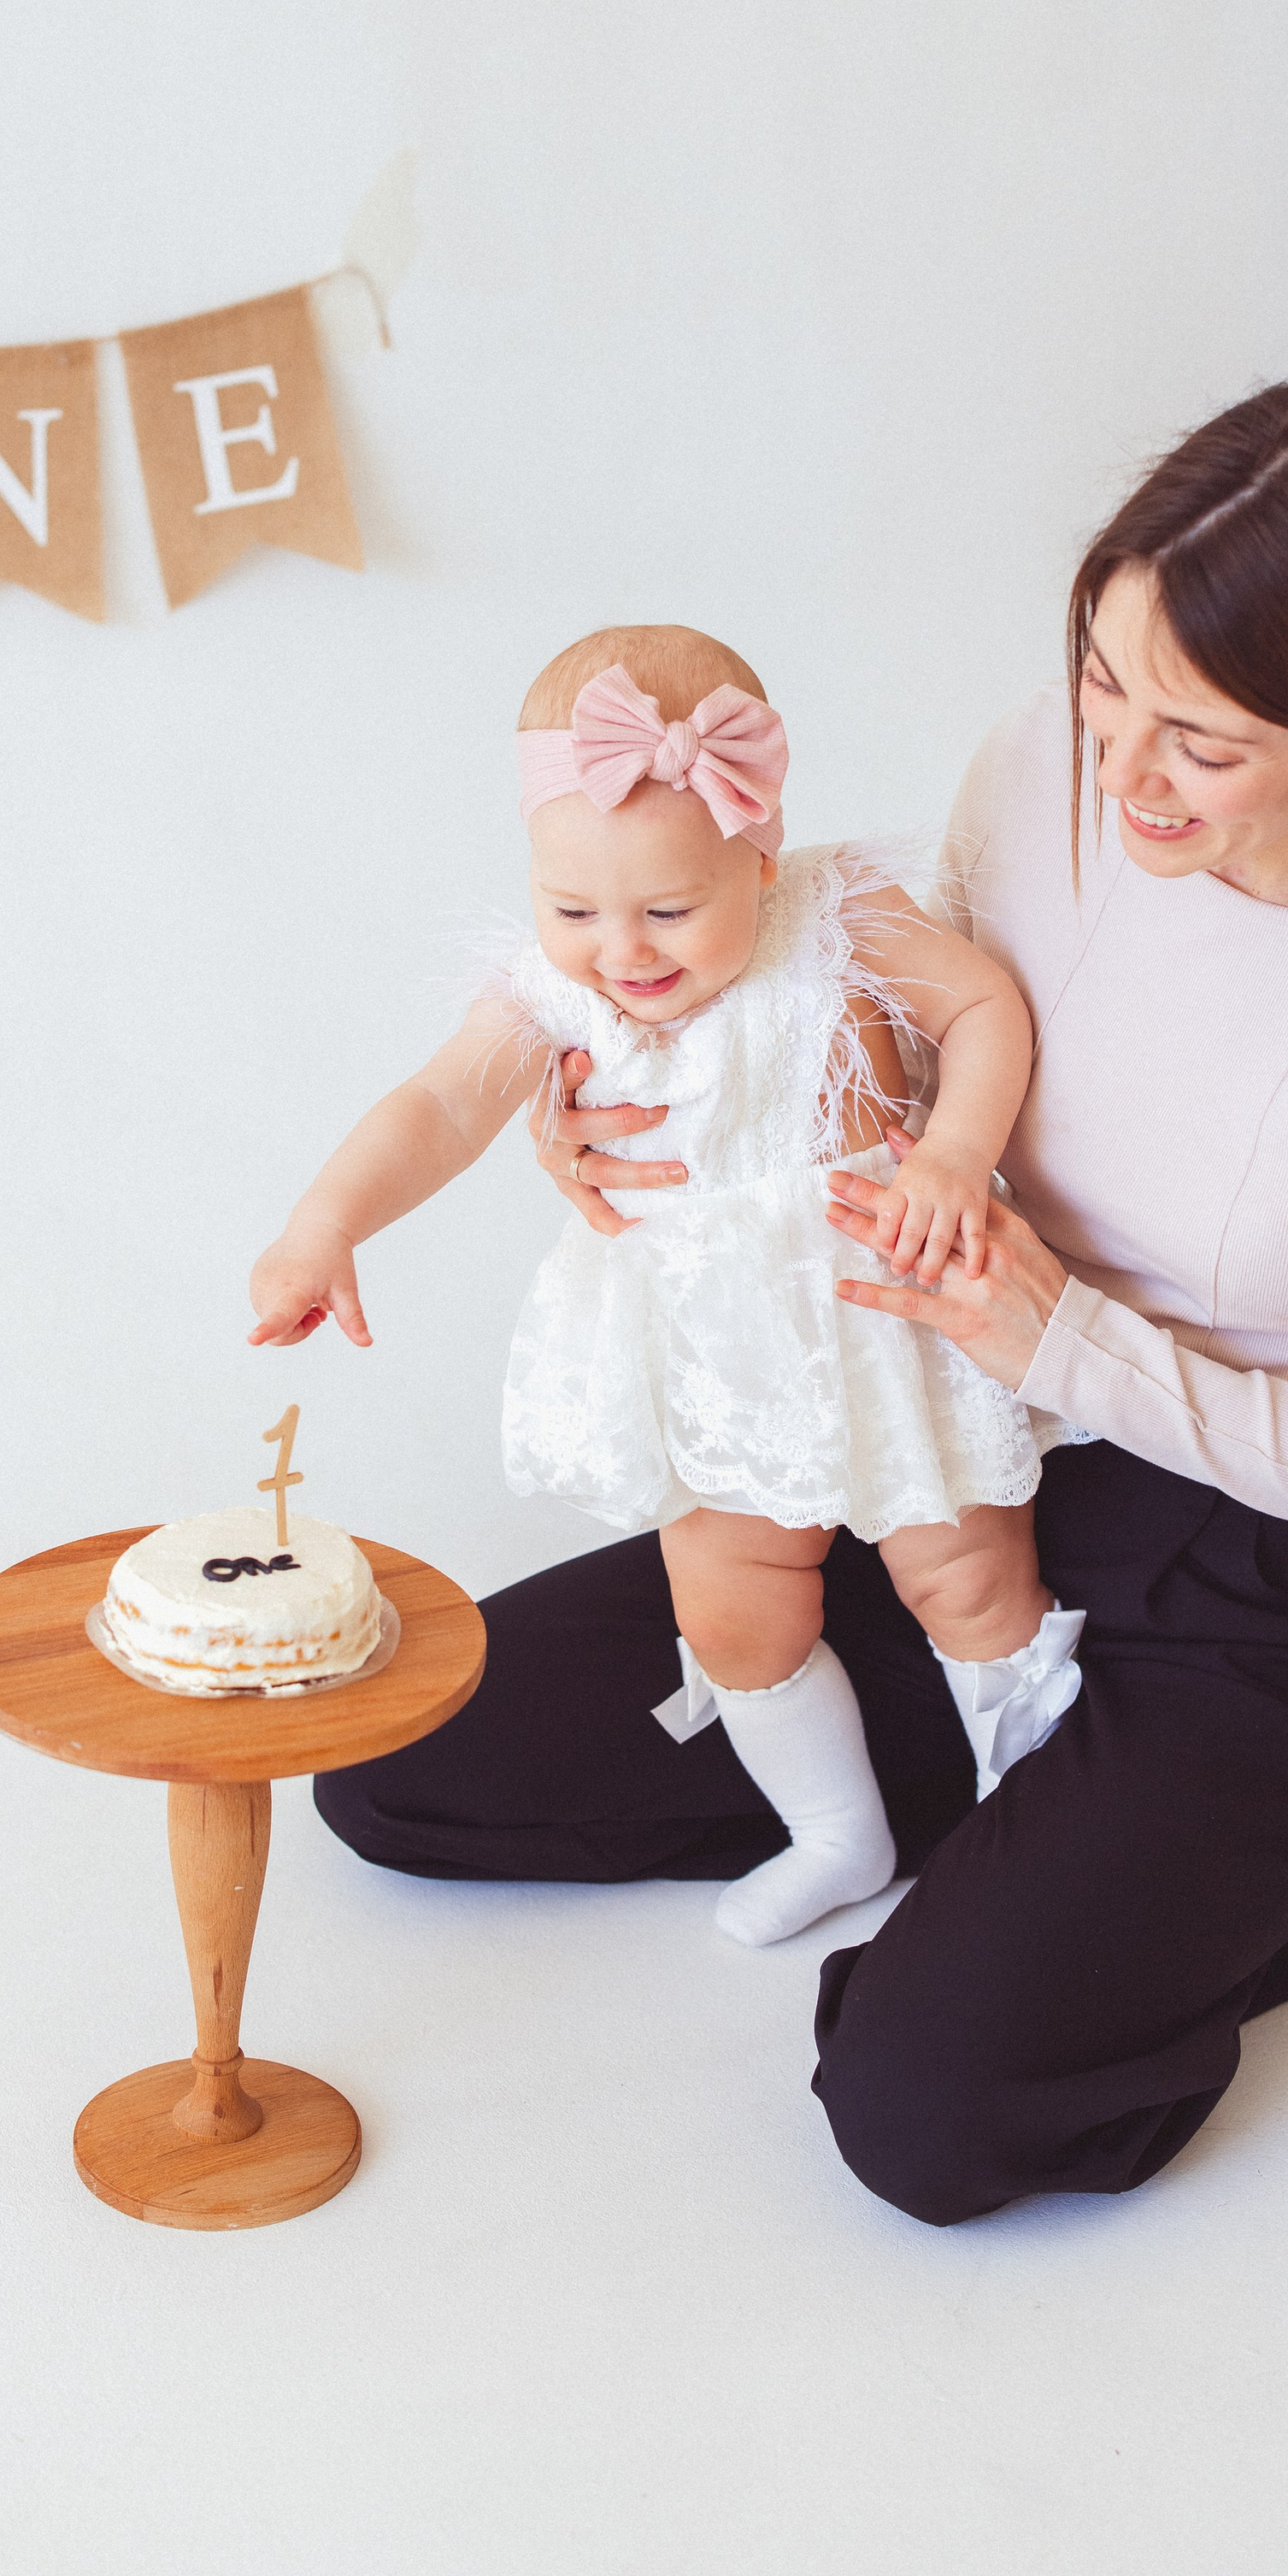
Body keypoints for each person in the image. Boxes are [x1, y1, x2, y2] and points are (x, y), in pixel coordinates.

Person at [313, 382, 1288, 2224]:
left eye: (1198, 738)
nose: (1118, 771)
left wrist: (1071, 1340)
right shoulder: (1035, 767)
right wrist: (616, 1090)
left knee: (920, 2109)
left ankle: (1177, 1852)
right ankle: (1016, 1812)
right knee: (400, 1762)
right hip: (933, 1447)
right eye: (1105, 687)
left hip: (1248, 1573)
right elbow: (870, 1023)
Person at [247, 627, 1087, 1950]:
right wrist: (324, 1224)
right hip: (717, 1369)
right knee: (736, 1610)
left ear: (761, 849)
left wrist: (954, 1153)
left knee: (968, 1576)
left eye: (670, 909)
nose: (621, 951)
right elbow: (435, 1107)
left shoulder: (841, 916)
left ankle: (1027, 1818)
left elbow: (985, 1010)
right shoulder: (554, 992)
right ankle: (836, 1830)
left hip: (890, 1315)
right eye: (573, 908)